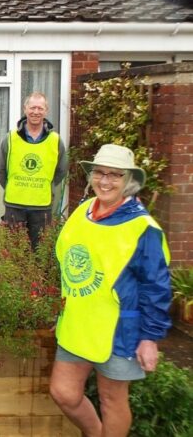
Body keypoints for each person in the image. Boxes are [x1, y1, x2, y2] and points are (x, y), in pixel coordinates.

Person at [50, 144, 172, 436]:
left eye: (114, 175)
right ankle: (95, 432)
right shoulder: (82, 212)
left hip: (120, 329)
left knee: (112, 399)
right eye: (99, 173)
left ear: (128, 180)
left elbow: (156, 287)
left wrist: (149, 338)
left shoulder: (143, 228)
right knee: (63, 393)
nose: (105, 181)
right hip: (78, 323)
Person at [0, 92, 68, 250]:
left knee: (40, 251)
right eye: (32, 107)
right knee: (14, 250)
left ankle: (38, 276)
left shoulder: (55, 140)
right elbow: (0, 169)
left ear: (46, 111)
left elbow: (61, 170)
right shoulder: (11, 138)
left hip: (42, 206)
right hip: (15, 205)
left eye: (40, 108)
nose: (36, 112)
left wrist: (46, 185)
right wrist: (13, 185)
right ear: (25, 109)